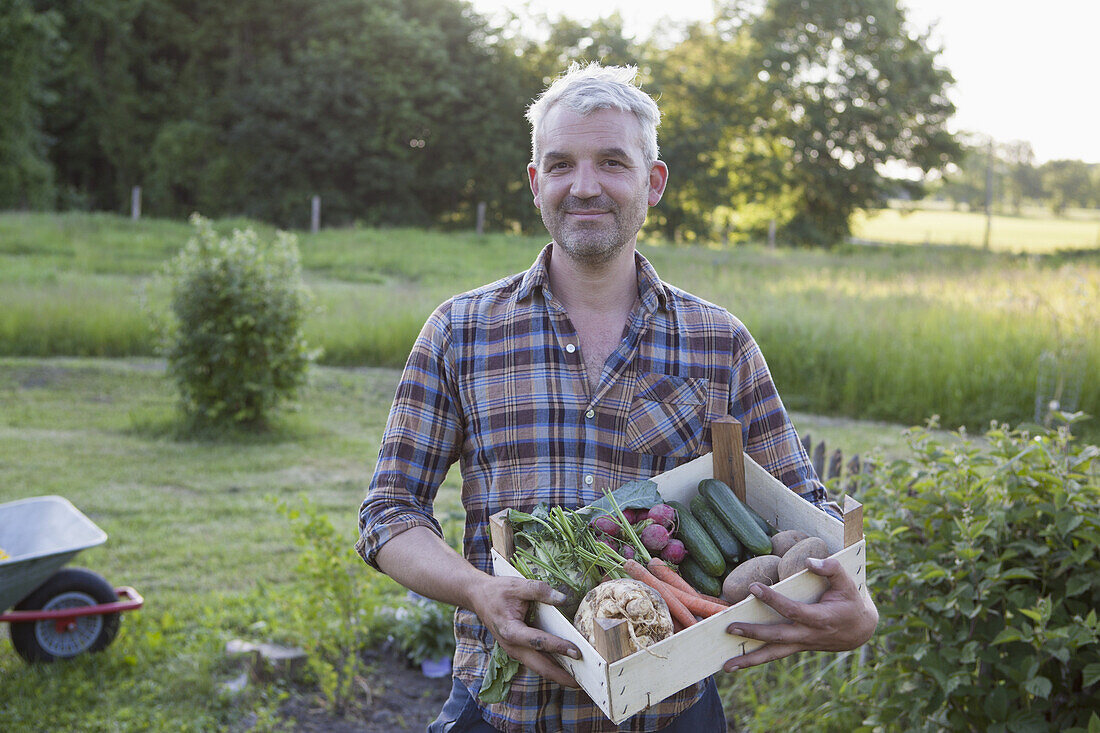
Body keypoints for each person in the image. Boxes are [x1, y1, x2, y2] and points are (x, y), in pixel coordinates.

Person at [356, 62, 878, 733]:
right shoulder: (461, 332)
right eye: (562, 163)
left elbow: (811, 516)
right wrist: (478, 589)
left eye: (611, 161)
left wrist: (858, 605)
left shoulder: (720, 343)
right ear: (535, 182)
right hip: (506, 703)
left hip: (673, 711)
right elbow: (389, 510)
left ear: (652, 182)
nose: (585, 185)